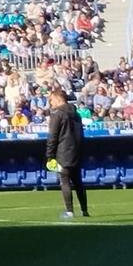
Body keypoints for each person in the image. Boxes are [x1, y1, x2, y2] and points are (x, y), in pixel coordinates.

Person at [44, 87, 89, 220]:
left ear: (58, 99)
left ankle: (69, 211)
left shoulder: (57, 114)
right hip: (77, 151)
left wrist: (50, 155)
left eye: (51, 100)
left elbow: (53, 136)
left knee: (65, 181)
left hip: (63, 152)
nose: (50, 103)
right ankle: (84, 210)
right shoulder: (76, 114)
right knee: (78, 182)